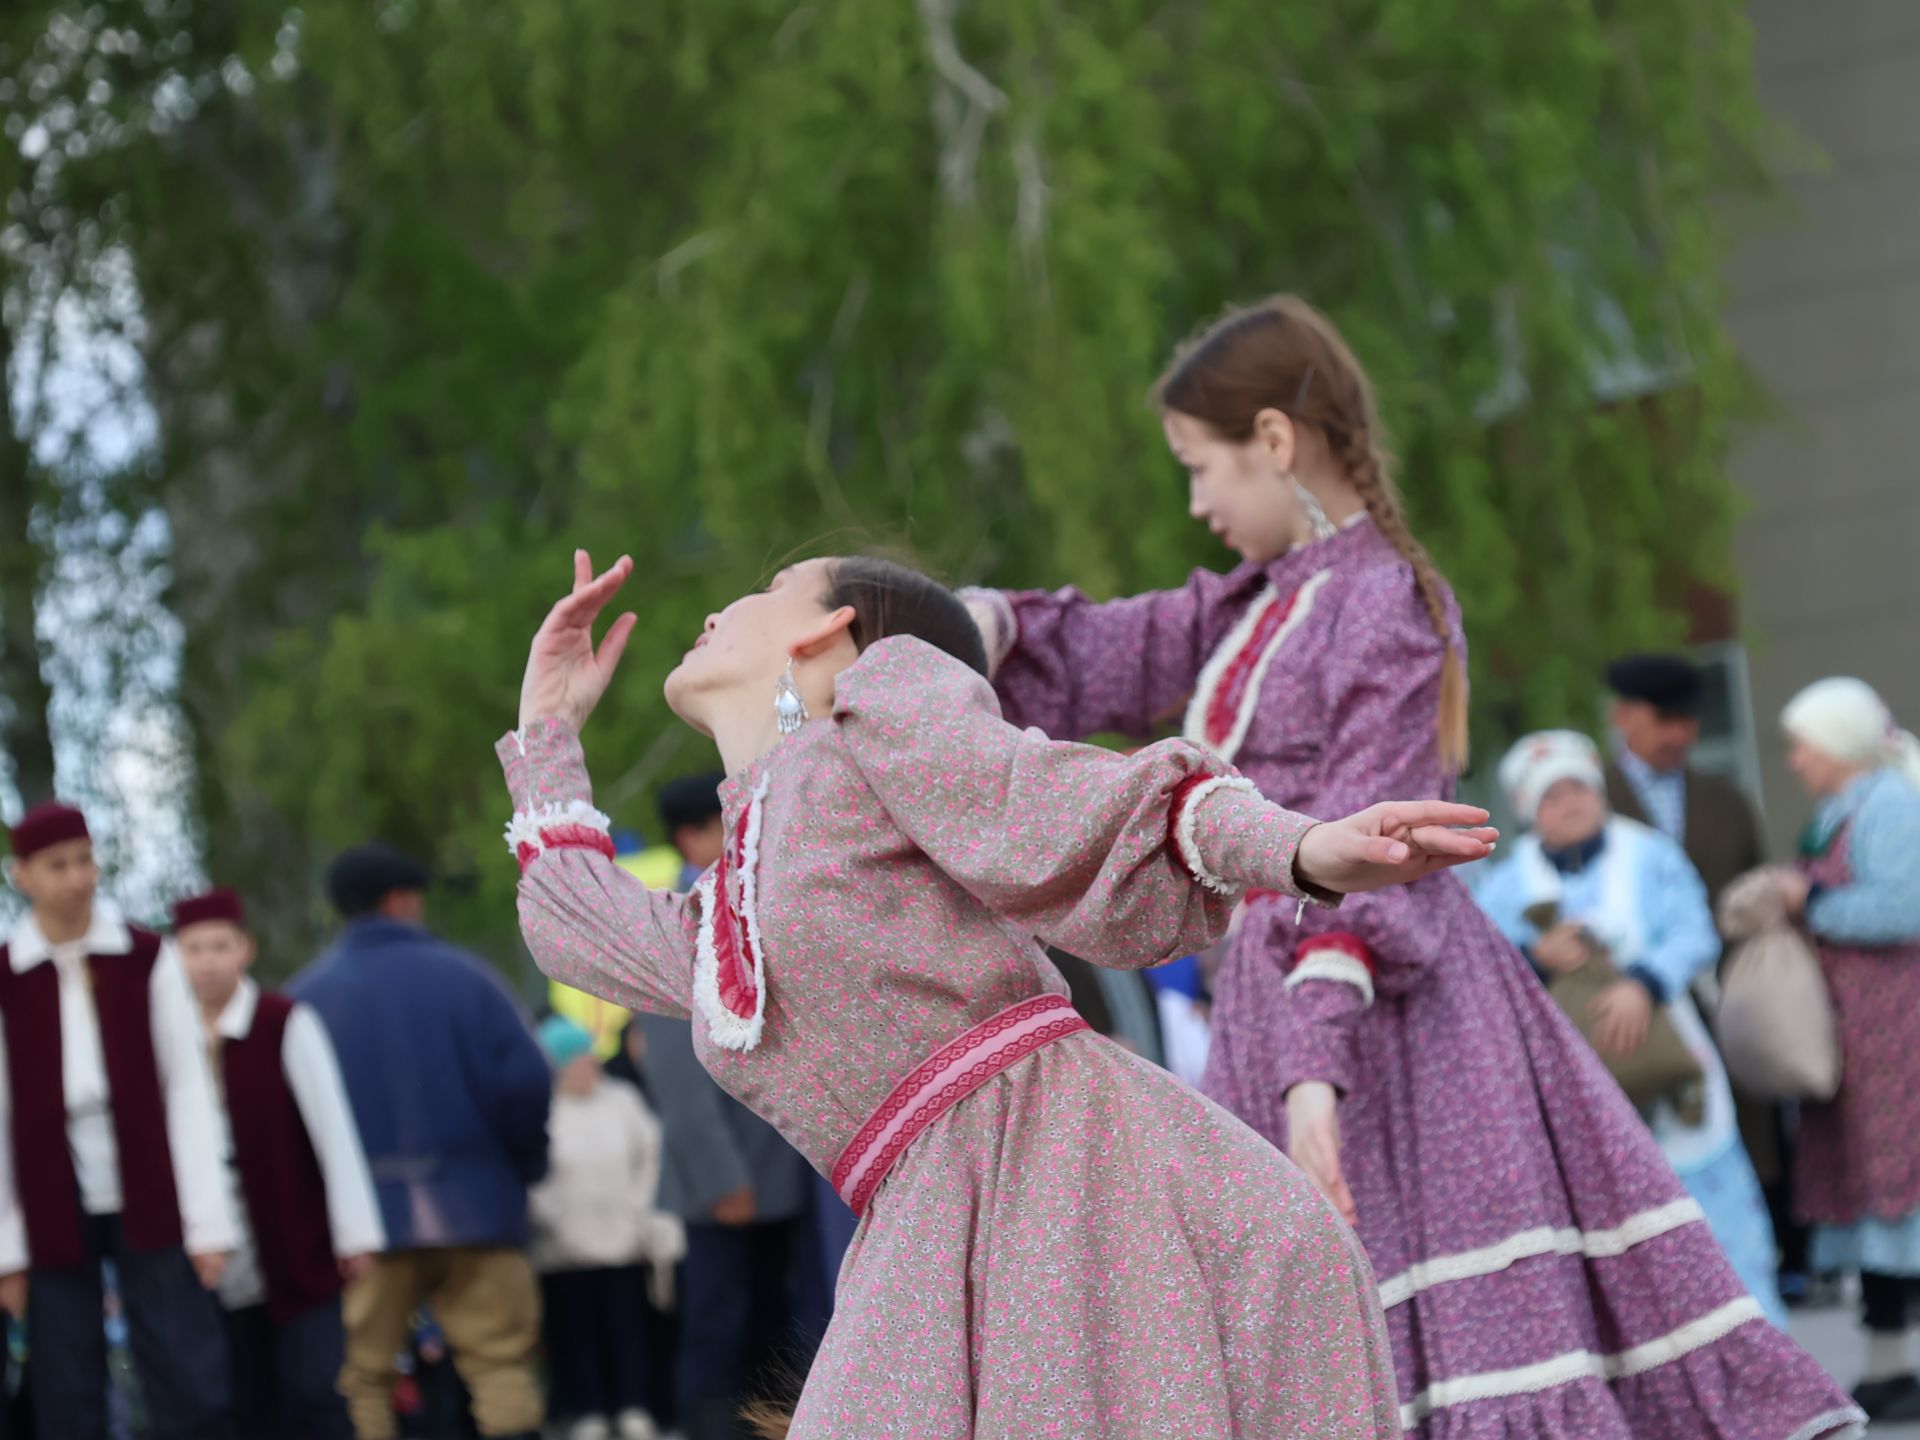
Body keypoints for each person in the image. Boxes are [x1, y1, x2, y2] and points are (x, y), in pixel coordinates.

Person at [961, 295, 1859, 1436]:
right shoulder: (1257, 600)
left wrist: (1312, 1081)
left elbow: (1369, 855)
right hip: (1280, 1012)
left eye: (1202, 467)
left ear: (1276, 443)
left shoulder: (1385, 602)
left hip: (1394, 1030)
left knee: (1427, 1347)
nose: (1195, 502)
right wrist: (937, 624)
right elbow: (1099, 647)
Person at [502, 547, 1504, 1439]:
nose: (721, 606)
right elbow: (578, 924)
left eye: (769, 587)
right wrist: (546, 726)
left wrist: (1298, 847)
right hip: (926, 1225)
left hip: (1069, 1170)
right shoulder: (730, 903)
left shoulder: (881, 704)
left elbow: (1055, 800)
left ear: (829, 633)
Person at [1474, 731, 1786, 1325]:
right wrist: (1538, 956)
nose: (1569, 803)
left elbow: (1695, 928)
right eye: (1552, 795)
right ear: (1528, 809)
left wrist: (1643, 983)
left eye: (1578, 789)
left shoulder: (1649, 853)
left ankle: (1754, 1338)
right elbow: (1482, 962)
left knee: (1712, 1211)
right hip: (1570, 1081)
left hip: (1669, 1063)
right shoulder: (1508, 882)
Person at [290, 844, 551, 1440]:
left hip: (361, 1229)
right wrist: (522, 1168)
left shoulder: (303, 1000)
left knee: (360, 1378)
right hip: (477, 1209)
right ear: (402, 900)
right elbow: (526, 1082)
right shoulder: (471, 980)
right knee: (501, 1367)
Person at [0, 802, 238, 1440]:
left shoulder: (143, 955)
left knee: (187, 1373)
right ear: (22, 874)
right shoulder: (7, 973)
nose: (77, 877)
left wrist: (208, 1221)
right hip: (49, 1195)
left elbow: (185, 1087)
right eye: (57, 865)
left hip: (148, 1183)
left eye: (84, 860)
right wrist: (7, 1249)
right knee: (66, 1386)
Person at [634, 772, 817, 1440]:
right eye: (723, 822)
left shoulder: (748, 901)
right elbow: (680, 1082)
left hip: (773, 1176)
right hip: (729, 1182)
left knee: (770, 1326)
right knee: (719, 1327)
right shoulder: (683, 915)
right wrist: (722, 1178)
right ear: (691, 836)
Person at [173, 886, 386, 1440]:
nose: (208, 961)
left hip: (295, 1241)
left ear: (245, 949)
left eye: (220, 946)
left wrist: (354, 1232)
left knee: (313, 1391)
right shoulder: (170, 1035)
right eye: (194, 949)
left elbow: (331, 1130)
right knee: (243, 1400)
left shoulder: (282, 1021)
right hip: (216, 1254)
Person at [1767, 678, 1920, 1421]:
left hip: (1899, 1033)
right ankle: (1889, 1362)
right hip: (1863, 1038)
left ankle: (1896, 1363)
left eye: (1802, 745)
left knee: (1900, 1187)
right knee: (1875, 1188)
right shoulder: (1841, 811)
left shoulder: (1890, 806)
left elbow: (1906, 904)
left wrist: (1812, 904)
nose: (1794, 761)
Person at [529, 1017, 681, 1440]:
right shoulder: (542, 1110)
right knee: (575, 1331)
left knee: (630, 1328)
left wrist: (641, 1211)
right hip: (564, 1248)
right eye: (577, 1060)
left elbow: (651, 1156)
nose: (588, 1066)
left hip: (625, 1240)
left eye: (588, 1057)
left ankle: (635, 1406)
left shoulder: (622, 1100)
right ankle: (587, 1410)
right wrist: (557, 1220)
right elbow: (534, 1175)